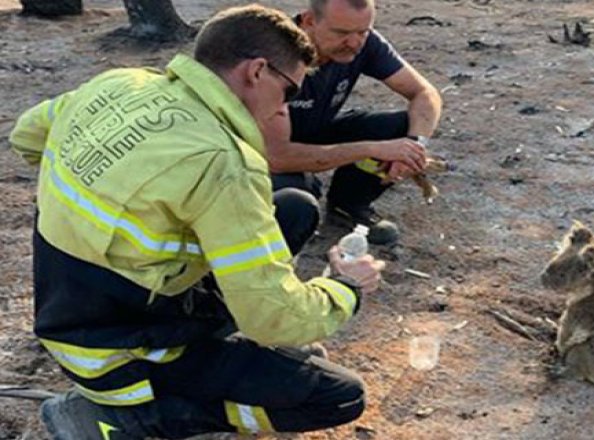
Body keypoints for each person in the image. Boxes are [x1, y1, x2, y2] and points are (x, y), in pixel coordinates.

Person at [8, 5, 385, 439]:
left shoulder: (120, 83)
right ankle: (127, 418)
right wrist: (344, 288)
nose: (283, 110)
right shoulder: (222, 161)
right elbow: (271, 319)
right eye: (287, 93)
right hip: (121, 350)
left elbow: (26, 136)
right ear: (256, 71)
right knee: (339, 396)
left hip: (69, 309)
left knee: (295, 207)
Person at [267, 0, 444, 245]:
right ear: (309, 21)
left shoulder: (364, 42)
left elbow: (425, 94)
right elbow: (277, 157)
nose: (354, 43)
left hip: (314, 127)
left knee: (399, 129)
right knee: (300, 199)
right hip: (260, 149)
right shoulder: (276, 55)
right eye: (341, 33)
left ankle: (349, 204)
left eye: (363, 32)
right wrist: (372, 149)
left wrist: (415, 145)